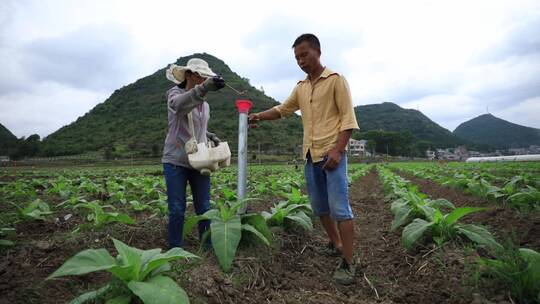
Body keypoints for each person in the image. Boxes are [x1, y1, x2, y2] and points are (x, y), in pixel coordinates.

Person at [249, 34, 359, 285]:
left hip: (332, 156)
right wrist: (257, 116)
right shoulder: (301, 87)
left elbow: (348, 119)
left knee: (340, 209)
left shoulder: (336, 80)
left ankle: (349, 262)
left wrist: (338, 150)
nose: (300, 60)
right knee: (320, 207)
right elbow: (282, 110)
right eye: (297, 57)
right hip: (311, 157)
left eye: (304, 54)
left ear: (318, 52)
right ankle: (335, 242)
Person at [162, 58, 225, 248]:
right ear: (188, 75)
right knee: (177, 208)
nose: (204, 79)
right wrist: (203, 88)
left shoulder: (204, 105)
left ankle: (207, 246)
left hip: (200, 160)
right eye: (200, 75)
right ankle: (175, 249)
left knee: (204, 207)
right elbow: (179, 107)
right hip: (176, 160)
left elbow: (195, 127)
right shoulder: (174, 94)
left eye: (206, 77)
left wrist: (208, 134)